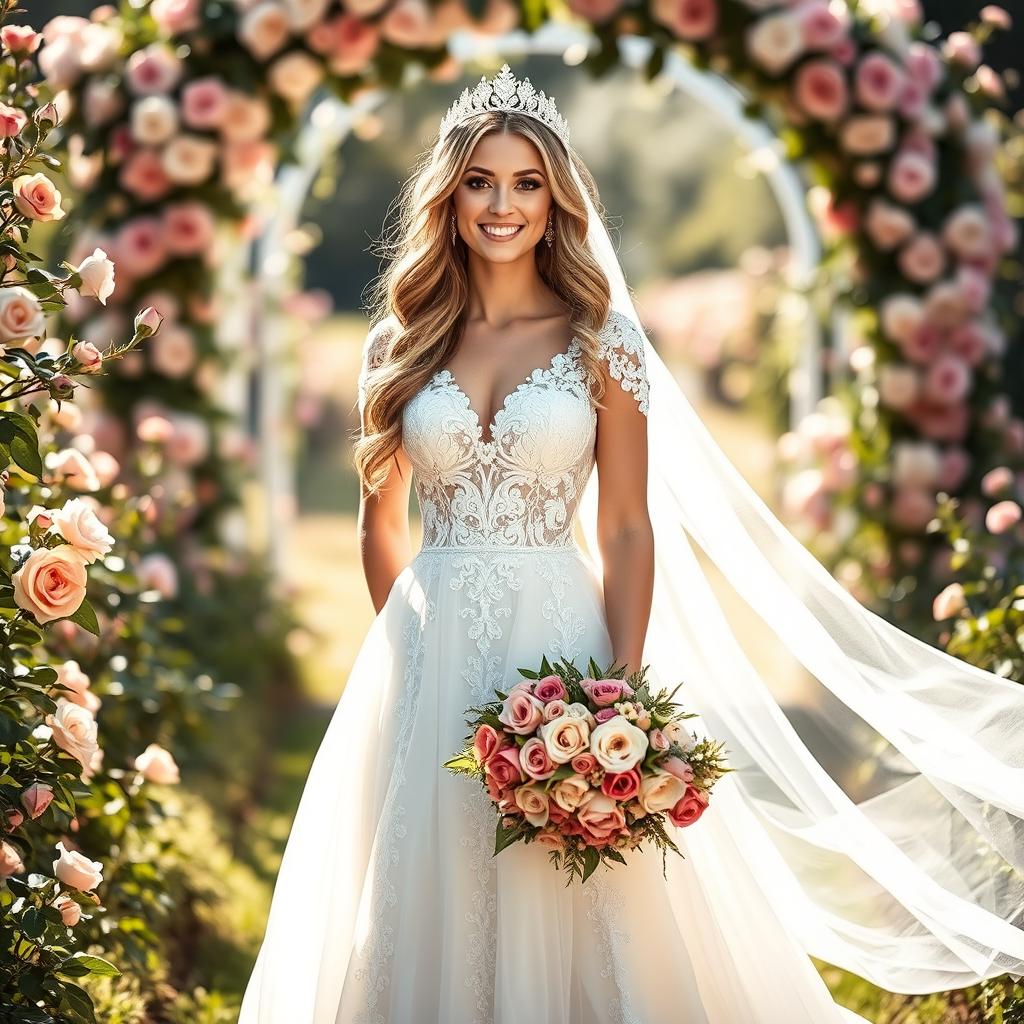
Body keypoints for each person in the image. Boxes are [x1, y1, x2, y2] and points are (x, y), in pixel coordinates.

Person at [239, 65, 1024, 1023]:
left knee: (572, 887)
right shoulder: (397, 343)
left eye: (527, 183)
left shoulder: (599, 339)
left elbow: (624, 522)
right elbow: (379, 521)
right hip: (423, 640)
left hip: (560, 641)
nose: (503, 205)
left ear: (557, 198)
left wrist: (619, 693)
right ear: (449, 196)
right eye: (481, 181)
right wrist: (404, 656)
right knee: (426, 870)